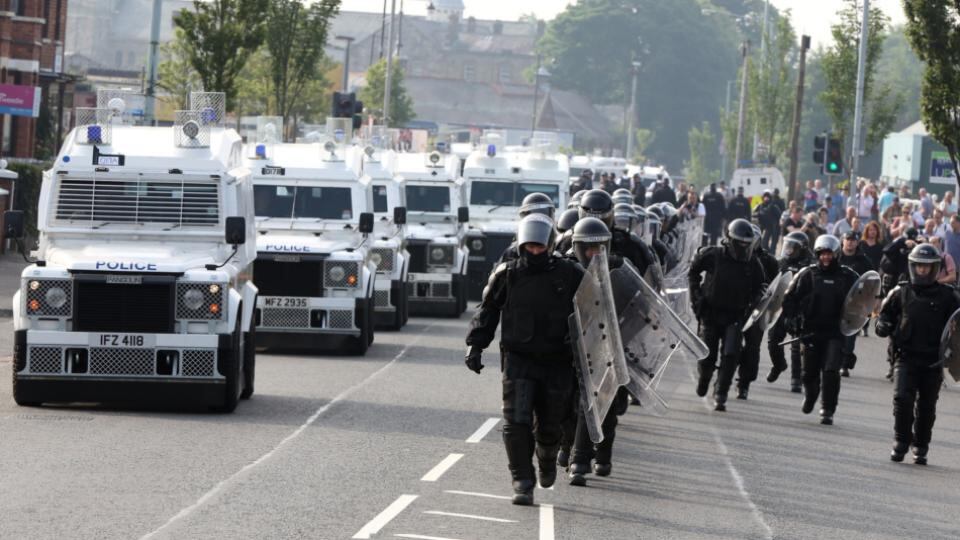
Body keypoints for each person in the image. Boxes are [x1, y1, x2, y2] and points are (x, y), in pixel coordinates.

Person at [465, 214, 585, 505]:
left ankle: (546, 460)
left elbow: (594, 310)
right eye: (529, 246)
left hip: (558, 362)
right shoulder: (507, 274)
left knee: (549, 425)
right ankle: (522, 481)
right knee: (515, 421)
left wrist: (586, 345)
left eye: (539, 247)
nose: (534, 252)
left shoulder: (571, 274)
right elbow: (488, 309)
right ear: (521, 244)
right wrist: (476, 345)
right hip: (518, 360)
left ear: (549, 244)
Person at [876, 243, 960, 465]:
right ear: (913, 267)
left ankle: (921, 446)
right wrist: (883, 325)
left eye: (927, 267)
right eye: (919, 267)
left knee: (926, 406)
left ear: (934, 269)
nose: (922, 271)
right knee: (902, 398)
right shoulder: (900, 291)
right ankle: (901, 441)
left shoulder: (949, 296)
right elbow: (883, 316)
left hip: (934, 361)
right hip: (905, 356)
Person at [566, 218, 628, 486]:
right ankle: (569, 451)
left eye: (599, 248)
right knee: (567, 402)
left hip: (607, 346)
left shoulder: (620, 268)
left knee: (604, 407)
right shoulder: (564, 269)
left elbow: (635, 304)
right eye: (588, 249)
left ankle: (592, 458)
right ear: (578, 247)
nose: (594, 254)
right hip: (569, 345)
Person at [688, 219, 766, 411]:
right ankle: (705, 379)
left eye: (747, 244)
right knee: (708, 356)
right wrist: (696, 296)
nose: (743, 248)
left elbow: (762, 287)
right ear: (730, 240)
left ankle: (721, 392)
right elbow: (693, 271)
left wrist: (755, 302)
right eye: (740, 243)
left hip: (736, 315)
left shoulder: (753, 263)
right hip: (711, 314)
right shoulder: (713, 255)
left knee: (731, 354)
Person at [781, 235, 860, 425]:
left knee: (831, 370)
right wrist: (791, 320)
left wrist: (851, 333)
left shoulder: (848, 276)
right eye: (822, 254)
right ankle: (811, 395)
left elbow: (861, 304)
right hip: (811, 331)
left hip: (835, 332)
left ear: (836, 254)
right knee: (809, 373)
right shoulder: (807, 274)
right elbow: (789, 298)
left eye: (829, 254)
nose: (826, 258)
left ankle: (828, 408)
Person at [736, 224, 779, 400]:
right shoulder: (734, 256)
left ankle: (744, 383)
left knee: (752, 349)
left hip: (757, 310)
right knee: (732, 347)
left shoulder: (769, 261)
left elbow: (776, 288)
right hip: (736, 308)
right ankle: (724, 379)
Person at [766, 231, 813, 391]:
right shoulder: (780, 263)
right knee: (773, 342)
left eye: (792, 247)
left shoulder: (810, 267)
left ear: (801, 248)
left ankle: (796, 379)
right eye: (787, 246)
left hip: (799, 311)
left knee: (796, 345)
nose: (788, 250)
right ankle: (779, 365)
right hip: (779, 308)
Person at [837, 231, 875, 377]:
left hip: (855, 303)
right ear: (843, 241)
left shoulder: (864, 261)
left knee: (850, 335)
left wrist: (871, 302)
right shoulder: (836, 257)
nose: (850, 242)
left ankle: (845, 365)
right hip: (836, 301)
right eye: (848, 239)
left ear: (857, 242)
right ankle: (834, 360)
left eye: (853, 240)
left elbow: (872, 280)